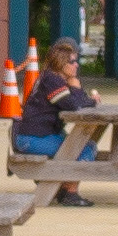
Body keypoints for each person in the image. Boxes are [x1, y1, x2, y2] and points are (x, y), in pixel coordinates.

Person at [13, 35, 95, 200]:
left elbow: (80, 102)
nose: (76, 65)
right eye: (72, 62)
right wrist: (77, 89)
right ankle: (69, 192)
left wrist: (84, 95)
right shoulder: (52, 81)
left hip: (40, 135)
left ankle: (60, 187)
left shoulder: (54, 79)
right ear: (61, 63)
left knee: (87, 145)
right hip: (31, 138)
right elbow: (73, 106)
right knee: (83, 149)